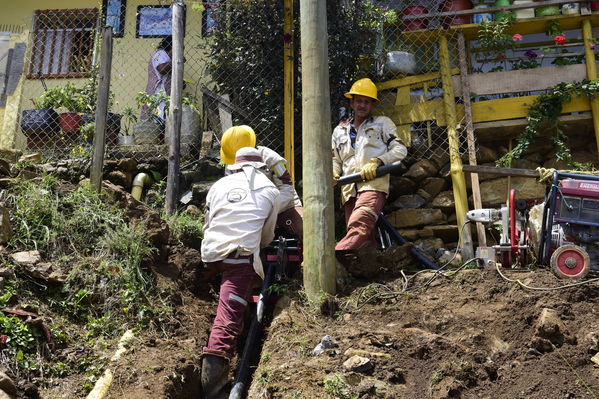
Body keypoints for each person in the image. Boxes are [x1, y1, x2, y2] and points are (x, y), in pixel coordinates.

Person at [200, 147, 280, 399]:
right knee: (227, 318)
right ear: (261, 167)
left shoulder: (218, 186)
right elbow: (267, 236)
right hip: (239, 257)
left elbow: (208, 222)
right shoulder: (271, 190)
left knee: (232, 302)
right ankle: (213, 388)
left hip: (212, 254)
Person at [332, 78, 408, 252]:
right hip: (348, 189)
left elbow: (400, 150)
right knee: (364, 238)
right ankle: (371, 272)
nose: (362, 105)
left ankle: (334, 257)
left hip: (373, 184)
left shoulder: (382, 123)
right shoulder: (339, 130)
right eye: (359, 100)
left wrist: (379, 161)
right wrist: (333, 172)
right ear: (351, 102)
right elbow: (335, 159)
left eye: (367, 102)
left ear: (373, 105)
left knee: (360, 223)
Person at [220, 125, 303, 241]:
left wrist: (268, 209)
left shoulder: (271, 158)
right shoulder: (231, 165)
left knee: (304, 229)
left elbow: (287, 189)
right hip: (249, 211)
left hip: (284, 206)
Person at [143, 36, 172, 120]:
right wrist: (176, 58)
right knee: (159, 118)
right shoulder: (161, 54)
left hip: (164, 93)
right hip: (158, 92)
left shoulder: (167, 56)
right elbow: (162, 69)